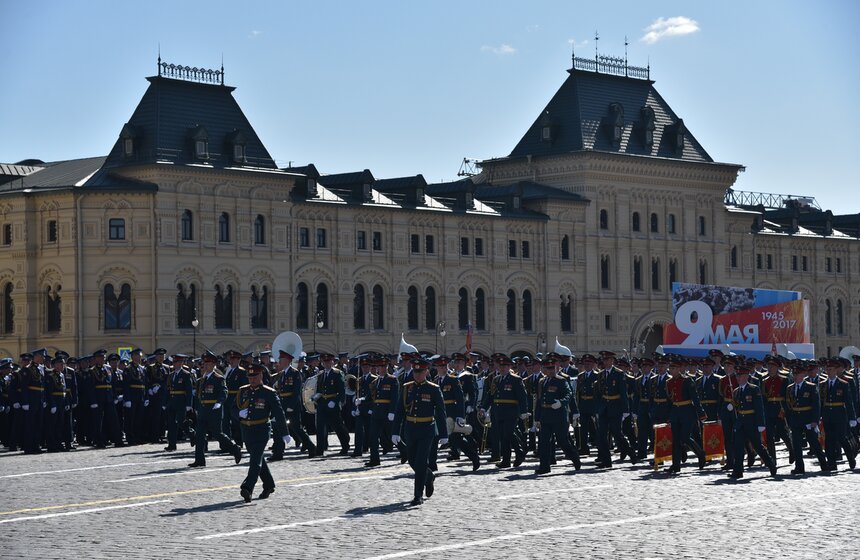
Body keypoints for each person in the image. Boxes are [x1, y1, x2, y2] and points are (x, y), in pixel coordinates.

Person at [392, 358, 448, 506]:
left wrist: (444, 434)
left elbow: (441, 413)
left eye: (420, 371)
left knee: (422, 461)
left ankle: (418, 495)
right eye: (415, 371)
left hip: (427, 429)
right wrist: (395, 431)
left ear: (426, 372)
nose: (417, 374)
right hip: (410, 429)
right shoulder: (406, 387)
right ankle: (429, 477)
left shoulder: (433, 389)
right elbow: (399, 411)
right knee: (412, 460)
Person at [236, 363, 290, 502]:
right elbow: (231, 408)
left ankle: (247, 488)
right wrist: (239, 413)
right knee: (258, 459)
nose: (252, 379)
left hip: (261, 430)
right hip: (247, 430)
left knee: (254, 461)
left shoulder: (269, 392)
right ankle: (269, 485)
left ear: (260, 375)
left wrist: (284, 432)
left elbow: (279, 413)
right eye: (250, 377)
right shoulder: (243, 391)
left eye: (254, 376)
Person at [188, 352, 242, 467]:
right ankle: (199, 460)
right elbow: (199, 396)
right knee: (199, 435)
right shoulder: (202, 380)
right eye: (205, 363)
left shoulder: (218, 378)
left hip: (214, 411)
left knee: (218, 434)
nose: (206, 365)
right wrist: (197, 408)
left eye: (209, 363)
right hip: (203, 411)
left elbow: (224, 392)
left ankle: (235, 449)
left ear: (214, 365)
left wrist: (219, 403)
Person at [728, 366, 777, 479]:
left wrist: (761, 423)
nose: (738, 378)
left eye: (740, 376)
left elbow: (759, 408)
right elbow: (737, 406)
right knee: (738, 447)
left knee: (758, 447)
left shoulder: (754, 389)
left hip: (751, 422)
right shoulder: (736, 391)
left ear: (746, 376)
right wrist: (731, 406)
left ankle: (771, 464)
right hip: (740, 423)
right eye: (737, 376)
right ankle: (738, 471)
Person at [534, 356, 581, 475]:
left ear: (556, 368)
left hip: (559, 416)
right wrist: (537, 418)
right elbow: (540, 401)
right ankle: (544, 466)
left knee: (562, 441)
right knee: (543, 442)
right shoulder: (542, 382)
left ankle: (575, 458)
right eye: (548, 368)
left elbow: (569, 394)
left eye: (553, 368)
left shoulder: (561, 380)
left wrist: (561, 403)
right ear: (545, 369)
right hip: (546, 416)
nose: (551, 370)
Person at [271, 349, 316, 460]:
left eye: (281, 359)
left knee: (297, 428)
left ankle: (311, 447)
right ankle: (278, 453)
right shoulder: (281, 374)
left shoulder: (295, 373)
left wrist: (291, 406)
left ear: (287, 360)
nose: (279, 361)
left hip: (292, 406)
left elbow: (296, 392)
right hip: (282, 404)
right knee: (277, 428)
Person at [666, 356, 706, 473]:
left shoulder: (687, 381)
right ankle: (676, 465)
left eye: (673, 368)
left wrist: (701, 413)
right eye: (670, 368)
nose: (671, 370)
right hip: (675, 412)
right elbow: (669, 401)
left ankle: (700, 453)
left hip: (687, 412)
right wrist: (669, 416)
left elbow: (695, 398)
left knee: (685, 437)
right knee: (676, 440)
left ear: (679, 369)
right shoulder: (668, 382)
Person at [785, 364, 827, 475]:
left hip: (808, 419)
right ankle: (799, 466)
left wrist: (815, 421)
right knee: (797, 444)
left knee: (814, 442)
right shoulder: (790, 388)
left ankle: (823, 463)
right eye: (794, 374)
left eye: (797, 374)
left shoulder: (811, 387)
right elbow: (788, 406)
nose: (795, 376)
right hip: (795, 419)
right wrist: (789, 420)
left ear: (803, 375)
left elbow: (816, 405)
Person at [311, 352, 350, 456]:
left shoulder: (337, 373)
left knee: (337, 426)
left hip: (332, 403)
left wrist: (337, 401)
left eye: (329, 361)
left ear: (332, 362)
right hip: (322, 403)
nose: (327, 364)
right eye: (325, 362)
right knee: (320, 427)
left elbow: (342, 390)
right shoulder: (320, 374)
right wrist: (316, 396)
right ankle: (319, 450)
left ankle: (345, 445)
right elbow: (319, 388)